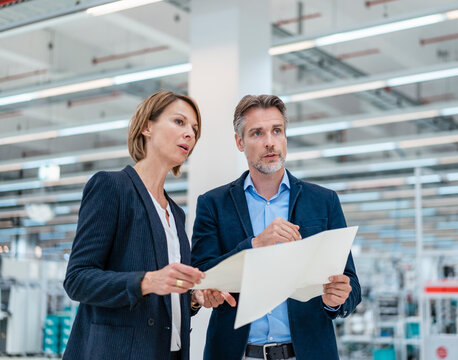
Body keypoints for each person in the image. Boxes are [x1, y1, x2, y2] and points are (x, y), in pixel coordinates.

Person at [63, 90, 234, 360]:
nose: (190, 133)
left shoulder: (175, 213)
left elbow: (168, 297)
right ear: (147, 127)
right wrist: (148, 281)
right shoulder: (111, 187)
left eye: (194, 129)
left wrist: (192, 298)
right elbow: (77, 280)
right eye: (179, 122)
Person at [191, 94, 361, 360]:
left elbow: (352, 285)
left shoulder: (324, 201)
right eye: (257, 133)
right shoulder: (213, 204)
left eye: (277, 131)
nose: (269, 142)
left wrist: (337, 300)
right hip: (237, 354)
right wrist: (255, 245)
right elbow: (201, 276)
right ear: (240, 142)